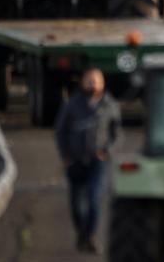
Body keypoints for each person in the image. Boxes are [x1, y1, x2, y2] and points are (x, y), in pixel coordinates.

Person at [54, 69, 121, 253]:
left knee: (94, 199)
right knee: (77, 203)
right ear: (82, 83)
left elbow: (116, 134)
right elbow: (60, 131)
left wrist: (107, 151)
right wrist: (66, 156)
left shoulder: (110, 105)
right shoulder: (72, 104)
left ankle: (90, 235)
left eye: (96, 81)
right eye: (89, 81)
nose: (93, 84)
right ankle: (81, 233)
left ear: (103, 83)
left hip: (98, 161)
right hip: (75, 161)